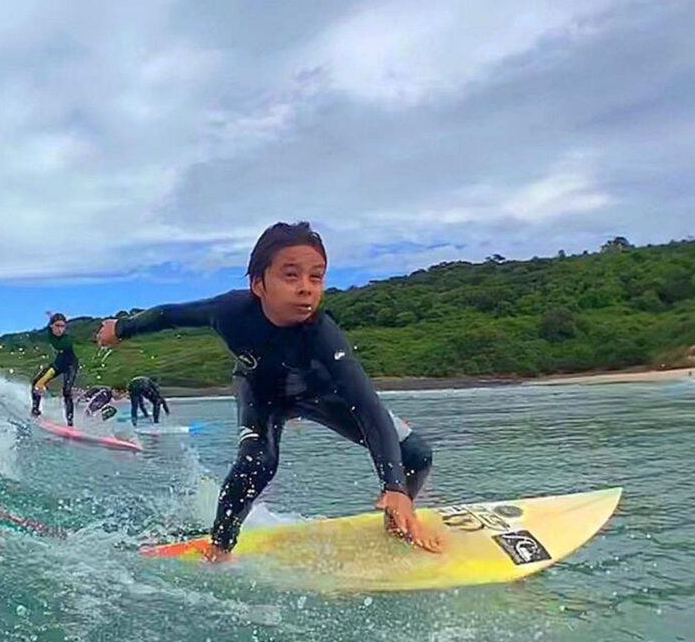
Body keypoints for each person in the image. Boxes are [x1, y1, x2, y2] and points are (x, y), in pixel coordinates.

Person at [97, 221, 439, 560]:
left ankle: (397, 517)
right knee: (257, 464)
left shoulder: (323, 334)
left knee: (416, 454)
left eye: (316, 277)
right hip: (261, 394)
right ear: (259, 284)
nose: (306, 288)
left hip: (320, 395)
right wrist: (121, 328)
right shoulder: (230, 311)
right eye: (291, 275)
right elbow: (168, 315)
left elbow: (365, 403)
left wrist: (395, 486)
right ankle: (219, 548)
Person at [31, 313, 79, 426]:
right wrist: (51, 315)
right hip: (58, 363)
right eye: (57, 326)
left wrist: (44, 380)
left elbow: (62, 358)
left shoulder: (66, 340)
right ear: (51, 326)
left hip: (70, 366)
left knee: (67, 392)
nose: (60, 329)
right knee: (35, 383)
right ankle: (35, 410)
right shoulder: (49, 332)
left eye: (63, 326)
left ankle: (70, 423)